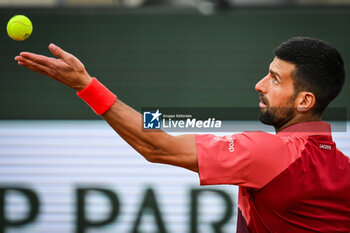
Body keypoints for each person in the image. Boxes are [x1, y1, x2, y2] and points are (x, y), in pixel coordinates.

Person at [15, 37, 350, 232]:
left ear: (305, 101)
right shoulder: (344, 170)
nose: (259, 85)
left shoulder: (272, 152)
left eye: (275, 79)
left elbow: (156, 145)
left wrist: (87, 86)